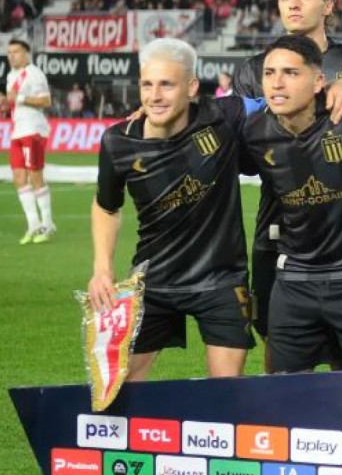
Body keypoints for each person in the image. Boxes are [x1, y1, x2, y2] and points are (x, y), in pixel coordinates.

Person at [88, 38, 255, 380]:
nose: (154, 96)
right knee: (120, 387)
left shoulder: (224, 117)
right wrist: (102, 268)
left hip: (221, 280)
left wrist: (337, 87)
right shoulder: (118, 142)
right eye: (147, 85)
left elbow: (284, 97)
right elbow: (106, 207)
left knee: (226, 390)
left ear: (192, 86)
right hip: (154, 280)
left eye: (167, 84)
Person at [239, 35, 342, 373]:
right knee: (284, 394)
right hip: (294, 281)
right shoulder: (253, 132)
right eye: (269, 73)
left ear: (318, 81)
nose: (277, 83)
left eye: (291, 73)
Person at [6, 39, 54, 245]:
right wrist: (5, 102)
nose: (11, 55)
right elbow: (15, 101)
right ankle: (33, 224)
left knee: (35, 176)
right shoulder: (11, 76)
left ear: (26, 53)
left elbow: (46, 101)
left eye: (15, 52)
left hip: (33, 130)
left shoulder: (34, 73)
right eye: (9, 52)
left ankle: (47, 223)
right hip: (17, 130)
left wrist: (21, 98)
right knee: (18, 176)